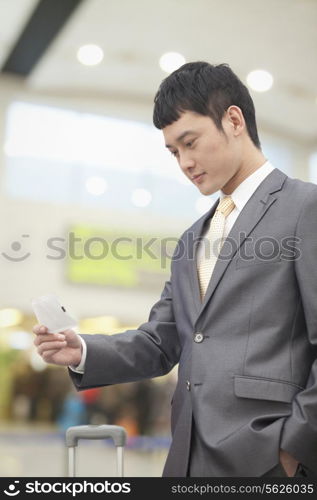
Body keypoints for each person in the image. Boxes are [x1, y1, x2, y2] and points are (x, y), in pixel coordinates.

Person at [33, 62, 317, 477]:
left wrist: (295, 447)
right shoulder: (192, 236)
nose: (184, 162)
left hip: (271, 458)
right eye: (173, 152)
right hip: (187, 455)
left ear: (234, 120)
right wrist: (84, 351)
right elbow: (163, 339)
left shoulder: (304, 209)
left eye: (190, 142)